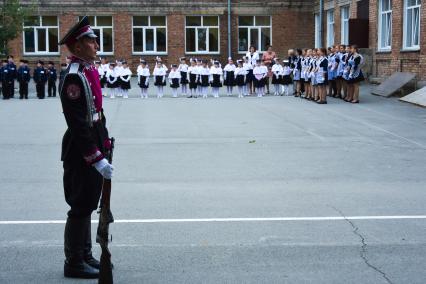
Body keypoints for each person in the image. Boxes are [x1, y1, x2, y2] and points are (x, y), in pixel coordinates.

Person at [58, 16, 114, 279]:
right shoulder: (73, 77)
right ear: (77, 46)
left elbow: (96, 114)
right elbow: (79, 124)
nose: (96, 44)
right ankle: (74, 261)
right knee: (80, 205)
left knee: (90, 203)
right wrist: (95, 157)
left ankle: (86, 254)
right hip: (81, 147)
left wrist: (104, 144)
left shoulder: (89, 70)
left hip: (94, 139)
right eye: (90, 40)